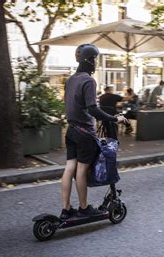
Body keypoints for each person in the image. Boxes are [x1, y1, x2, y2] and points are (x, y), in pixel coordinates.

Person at [61, 43, 128, 220]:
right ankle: (84, 208)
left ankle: (66, 208)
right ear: (89, 60)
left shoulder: (70, 80)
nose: (96, 62)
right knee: (81, 170)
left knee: (70, 169)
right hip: (84, 133)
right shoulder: (88, 81)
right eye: (95, 59)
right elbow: (92, 109)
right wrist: (114, 118)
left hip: (71, 131)